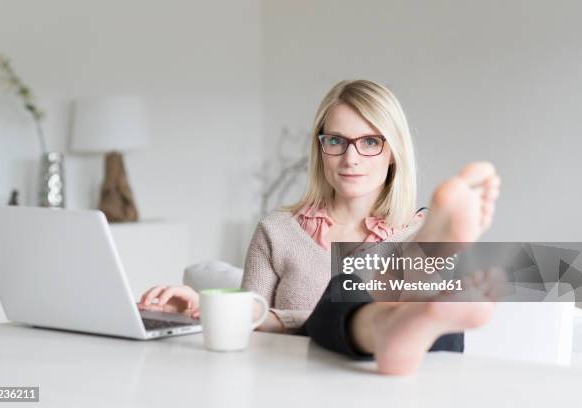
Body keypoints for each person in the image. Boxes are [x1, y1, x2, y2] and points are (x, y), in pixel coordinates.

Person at [138, 79, 500, 373]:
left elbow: (261, 317)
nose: (350, 158)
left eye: (370, 142)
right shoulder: (277, 230)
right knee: (345, 291)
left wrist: (275, 320)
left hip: (393, 385)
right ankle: (395, 309)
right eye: (336, 142)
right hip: (295, 385)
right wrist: (205, 308)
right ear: (320, 147)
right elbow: (248, 326)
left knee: (372, 297)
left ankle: (402, 310)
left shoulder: (411, 231)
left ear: (393, 153)